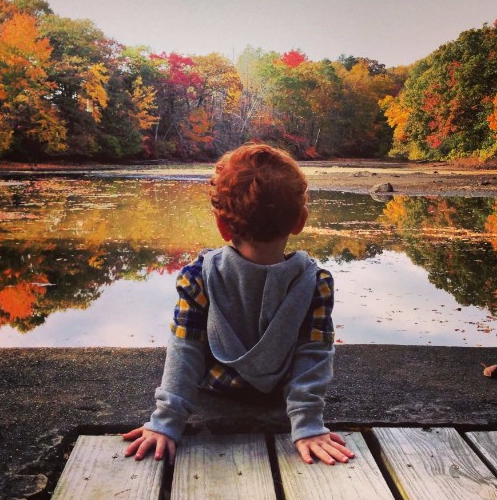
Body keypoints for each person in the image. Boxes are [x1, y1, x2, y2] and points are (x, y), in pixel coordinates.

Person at [123, 143, 354, 467]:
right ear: (300, 220)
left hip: (217, 389)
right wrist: (307, 426)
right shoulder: (316, 282)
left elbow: (185, 349)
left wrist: (166, 422)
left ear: (222, 226)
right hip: (278, 393)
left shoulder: (198, 277)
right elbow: (313, 355)